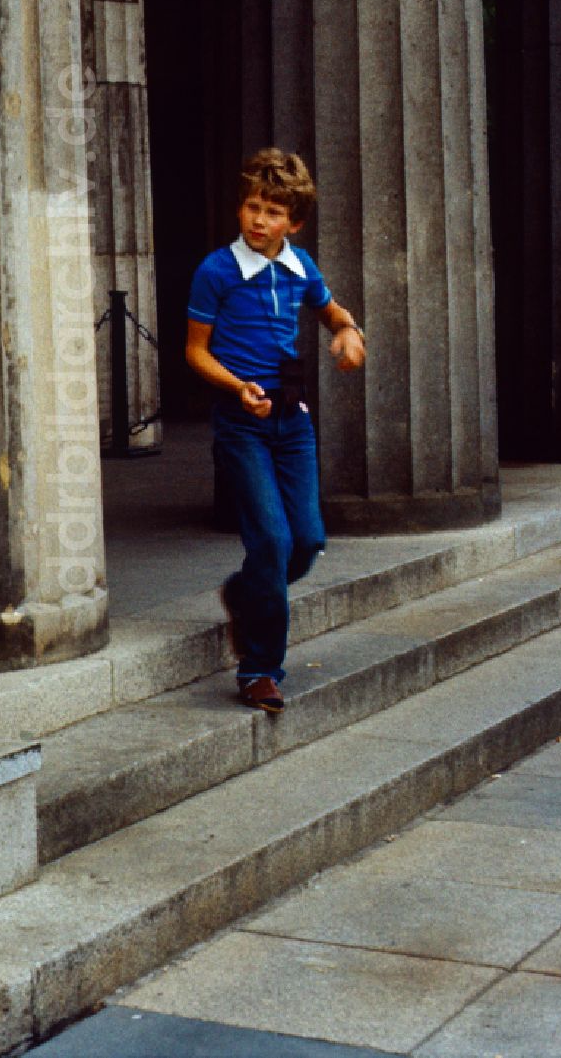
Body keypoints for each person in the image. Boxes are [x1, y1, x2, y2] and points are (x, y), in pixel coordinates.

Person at [185, 148, 366, 713]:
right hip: (242, 424)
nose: (258, 220)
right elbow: (195, 352)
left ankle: (244, 593)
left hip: (293, 423)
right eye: (251, 207)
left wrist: (349, 332)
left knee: (306, 540)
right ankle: (260, 668)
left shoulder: (300, 267)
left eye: (271, 212)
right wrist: (237, 386)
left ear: (294, 222)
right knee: (271, 539)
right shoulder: (217, 270)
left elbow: (330, 311)